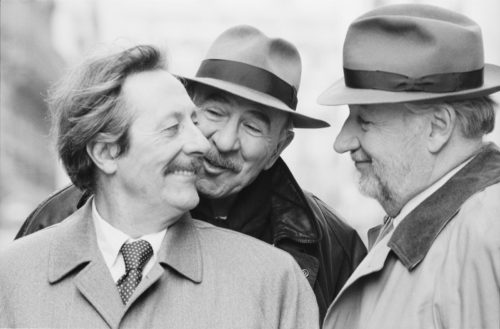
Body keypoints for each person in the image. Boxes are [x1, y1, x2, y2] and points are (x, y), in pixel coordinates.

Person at [15, 25, 367, 321]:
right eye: (213, 112)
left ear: (279, 147)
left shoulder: (329, 249)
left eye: (253, 127)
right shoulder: (53, 222)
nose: (224, 142)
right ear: (187, 106)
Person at [318, 4, 500, 329]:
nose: (342, 142)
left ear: (437, 127)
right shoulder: (463, 224)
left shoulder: (488, 232)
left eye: (366, 120)